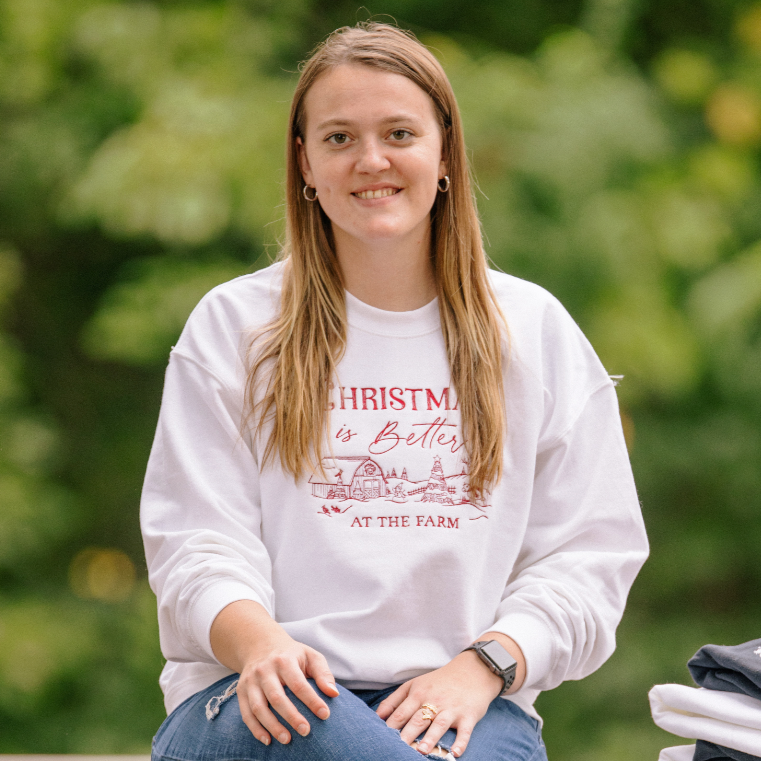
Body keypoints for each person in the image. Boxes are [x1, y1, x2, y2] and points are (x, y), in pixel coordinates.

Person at [142, 22, 649, 761]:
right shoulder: (236, 326)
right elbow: (195, 543)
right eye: (339, 137)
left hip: (468, 701)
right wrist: (263, 647)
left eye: (399, 133)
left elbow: (589, 556)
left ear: (443, 151)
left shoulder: (532, 331)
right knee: (339, 734)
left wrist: (486, 665)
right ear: (304, 163)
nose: (370, 159)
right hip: (262, 696)